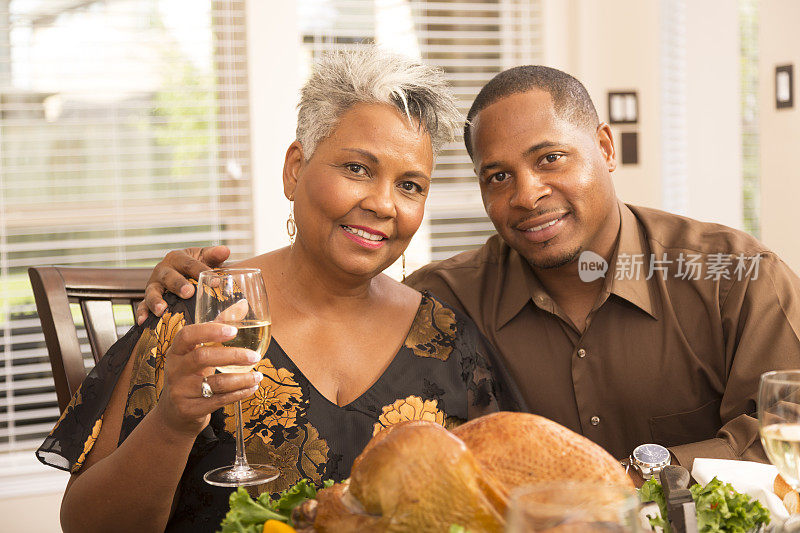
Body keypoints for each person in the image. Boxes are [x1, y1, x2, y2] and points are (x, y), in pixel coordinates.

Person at [143, 65, 800, 483]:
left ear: (604, 148)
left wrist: (637, 477)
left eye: (550, 159)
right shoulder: (444, 301)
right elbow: (336, 282)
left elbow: (788, 445)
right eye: (498, 176)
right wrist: (200, 280)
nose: (528, 192)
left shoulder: (733, 280)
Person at [36, 49, 515, 533]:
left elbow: (491, 510)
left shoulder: (445, 337)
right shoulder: (202, 315)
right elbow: (86, 525)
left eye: (410, 185)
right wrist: (172, 423)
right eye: (357, 169)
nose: (383, 204)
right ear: (294, 169)